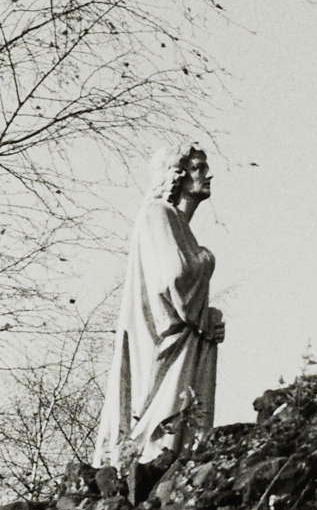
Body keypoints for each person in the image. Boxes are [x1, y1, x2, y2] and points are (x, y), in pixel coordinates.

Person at [94, 143, 225, 469]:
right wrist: (205, 260)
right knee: (158, 434)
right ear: (177, 175)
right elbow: (174, 278)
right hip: (163, 344)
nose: (208, 174)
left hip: (175, 341)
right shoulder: (158, 213)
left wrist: (207, 318)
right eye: (198, 167)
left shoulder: (177, 224)